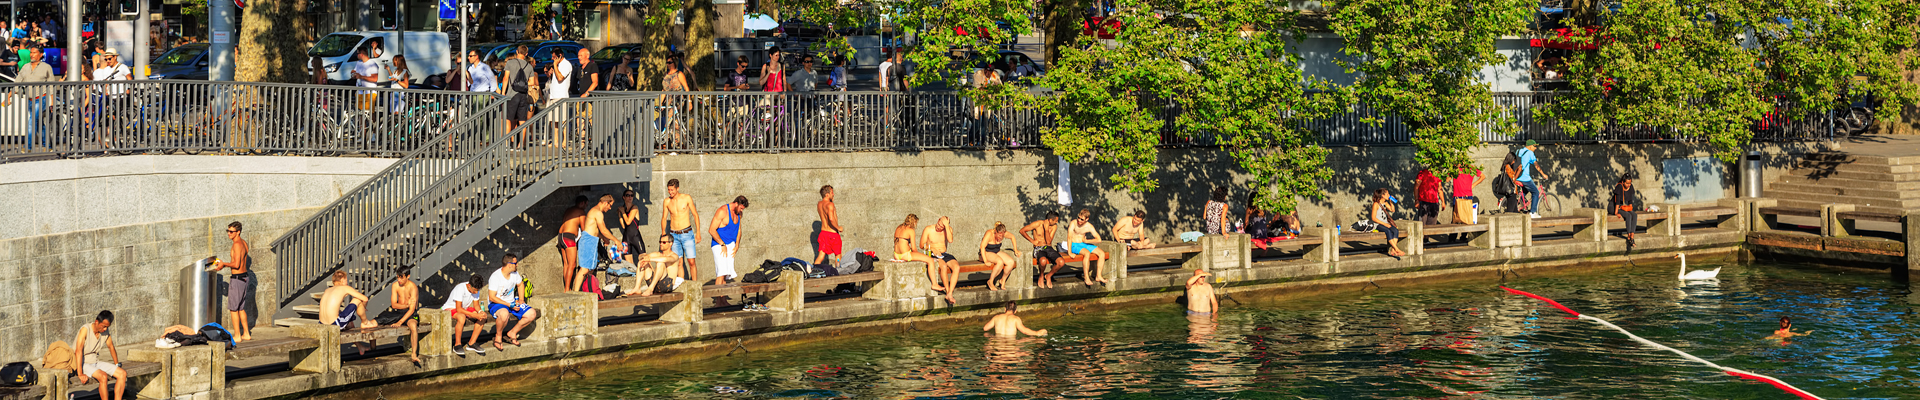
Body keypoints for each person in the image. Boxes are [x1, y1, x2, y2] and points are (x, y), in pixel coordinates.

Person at [202, 221, 253, 342]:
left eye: (231, 231)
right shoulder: (244, 243)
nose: (229, 233)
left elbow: (236, 264)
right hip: (244, 278)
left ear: (238, 232)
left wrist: (224, 264)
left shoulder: (237, 244)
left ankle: (237, 336)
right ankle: (246, 333)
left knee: (233, 309)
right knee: (241, 308)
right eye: (228, 231)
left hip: (237, 279)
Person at [893, 214, 953, 303]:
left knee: (924, 258)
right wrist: (921, 256)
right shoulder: (910, 231)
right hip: (906, 255)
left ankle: (935, 284)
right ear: (914, 222)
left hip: (896, 255)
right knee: (930, 260)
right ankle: (934, 284)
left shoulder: (898, 227)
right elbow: (914, 248)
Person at [317, 271, 377, 356]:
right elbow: (365, 298)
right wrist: (363, 307)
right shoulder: (344, 287)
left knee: (349, 323)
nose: (347, 282)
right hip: (335, 324)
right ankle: (365, 322)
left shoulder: (327, 290)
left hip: (321, 324)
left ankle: (360, 347)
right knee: (357, 300)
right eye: (346, 280)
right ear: (342, 280)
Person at [487, 253, 540, 350]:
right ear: (509, 264)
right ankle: (498, 337)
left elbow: (520, 285)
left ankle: (512, 333)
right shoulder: (495, 277)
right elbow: (491, 297)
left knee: (532, 314)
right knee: (504, 314)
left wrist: (521, 299)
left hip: (512, 302)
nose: (517, 265)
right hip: (497, 303)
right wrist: (509, 304)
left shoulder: (515, 274)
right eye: (516, 263)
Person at [575, 195, 625, 293]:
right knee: (584, 269)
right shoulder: (597, 212)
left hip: (592, 240)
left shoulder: (596, 212)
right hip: (588, 241)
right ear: (606, 202)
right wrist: (616, 240)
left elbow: (595, 230)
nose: (610, 208)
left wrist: (604, 238)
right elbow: (603, 229)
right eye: (610, 205)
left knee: (590, 270)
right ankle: (575, 293)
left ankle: (586, 290)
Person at [373, 266, 423, 364]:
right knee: (375, 321)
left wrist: (400, 322)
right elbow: (393, 304)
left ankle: (414, 354)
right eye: (397, 277)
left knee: (413, 326)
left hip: (410, 313)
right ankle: (372, 349)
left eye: (401, 277)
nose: (399, 280)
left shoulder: (413, 288)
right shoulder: (395, 285)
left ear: (408, 276)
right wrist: (405, 305)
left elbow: (412, 309)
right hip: (398, 312)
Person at [72, 311, 125, 400]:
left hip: (95, 361)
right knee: (103, 376)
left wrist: (116, 364)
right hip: (82, 362)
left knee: (122, 374)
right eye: (103, 326)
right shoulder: (85, 329)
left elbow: (111, 347)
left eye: (107, 327)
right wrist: (80, 373)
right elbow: (78, 351)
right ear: (97, 322)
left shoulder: (105, 331)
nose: (105, 329)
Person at [661, 179, 700, 284]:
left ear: (677, 188)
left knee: (691, 261)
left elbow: (695, 215)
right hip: (674, 235)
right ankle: (681, 285)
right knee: (678, 262)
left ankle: (695, 285)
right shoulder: (667, 201)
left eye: (672, 190)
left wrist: (698, 233)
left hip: (687, 233)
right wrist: (663, 233)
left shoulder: (686, 198)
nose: (670, 192)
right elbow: (664, 218)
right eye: (669, 190)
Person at [441, 274, 490, 357]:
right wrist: (473, 315)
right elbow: (459, 309)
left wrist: (481, 312)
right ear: (469, 285)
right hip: (450, 308)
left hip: (464, 308)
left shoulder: (476, 289)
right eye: (474, 290)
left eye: (477, 290)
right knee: (461, 317)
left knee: (483, 317)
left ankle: (472, 343)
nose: (476, 292)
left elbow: (476, 305)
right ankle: (457, 345)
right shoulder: (460, 288)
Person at [18, 46, 54, 150]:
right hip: (30, 99)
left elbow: (51, 85)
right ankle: (47, 145)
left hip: (41, 98)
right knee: (39, 123)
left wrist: (51, 102)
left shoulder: (46, 67)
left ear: (41, 54)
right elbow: (18, 81)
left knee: (32, 121)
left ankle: (28, 146)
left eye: (34, 52)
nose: (32, 54)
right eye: (31, 52)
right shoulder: (25, 67)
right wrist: (9, 96)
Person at [708, 196, 749, 285]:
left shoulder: (739, 214)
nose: (742, 210)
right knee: (721, 273)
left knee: (725, 274)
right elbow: (711, 230)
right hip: (719, 245)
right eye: (741, 208)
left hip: (731, 245)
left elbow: (738, 229)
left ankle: (723, 298)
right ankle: (718, 297)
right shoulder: (722, 211)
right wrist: (722, 244)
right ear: (736, 204)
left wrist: (737, 244)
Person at [1065, 209, 1110, 286]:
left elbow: (1099, 239)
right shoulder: (1073, 223)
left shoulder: (1089, 226)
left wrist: (1087, 241)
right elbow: (1069, 238)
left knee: (1102, 253)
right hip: (1074, 244)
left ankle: (1098, 275)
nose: (1079, 220)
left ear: (1087, 219)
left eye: (1082, 219)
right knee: (1087, 253)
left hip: (1083, 244)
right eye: (1078, 217)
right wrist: (1069, 252)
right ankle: (1086, 277)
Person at [1020, 212, 1064, 289]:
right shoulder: (1038, 224)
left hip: (1048, 247)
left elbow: (1049, 242)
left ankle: (1048, 276)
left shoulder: (1054, 227)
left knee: (1061, 262)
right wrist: (1032, 241)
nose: (1057, 222)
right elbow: (1022, 231)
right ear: (1050, 220)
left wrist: (1046, 229)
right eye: (1056, 220)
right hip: (1038, 248)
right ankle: (1041, 276)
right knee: (1043, 261)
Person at [921, 216, 962, 296]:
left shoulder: (948, 229)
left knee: (957, 267)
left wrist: (946, 226)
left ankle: (950, 292)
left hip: (944, 254)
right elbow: (921, 245)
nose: (938, 227)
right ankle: (947, 291)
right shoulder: (928, 229)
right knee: (943, 266)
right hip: (932, 254)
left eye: (941, 226)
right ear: (938, 220)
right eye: (938, 224)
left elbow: (950, 240)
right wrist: (932, 248)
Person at [500, 45, 536, 135]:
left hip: (511, 94)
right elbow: (532, 82)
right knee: (522, 121)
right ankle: (521, 144)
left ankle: (507, 143)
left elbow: (505, 78)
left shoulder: (510, 63)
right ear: (526, 54)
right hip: (523, 95)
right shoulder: (529, 66)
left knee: (508, 119)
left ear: (517, 51)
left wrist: (503, 92)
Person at [557, 195, 589, 290]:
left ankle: (567, 288)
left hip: (560, 236)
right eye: (586, 205)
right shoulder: (581, 212)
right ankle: (567, 289)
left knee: (566, 264)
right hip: (569, 237)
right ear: (582, 203)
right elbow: (583, 229)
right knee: (572, 264)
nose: (586, 207)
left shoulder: (569, 210)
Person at [1607, 173, 1646, 247]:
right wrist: (1616, 213)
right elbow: (1617, 201)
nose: (1629, 185)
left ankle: (1632, 236)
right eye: (1627, 183)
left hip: (1621, 207)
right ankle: (1629, 237)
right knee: (1628, 215)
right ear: (1623, 182)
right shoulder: (1619, 186)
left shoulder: (1630, 187)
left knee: (1634, 215)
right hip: (1613, 207)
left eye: (1630, 183)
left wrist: (1630, 209)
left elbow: (1630, 201)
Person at [979, 222, 1019, 291]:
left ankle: (1003, 280)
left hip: (996, 252)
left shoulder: (1003, 233)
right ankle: (990, 281)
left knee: (1011, 262)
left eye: (1002, 236)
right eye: (999, 235)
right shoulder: (989, 233)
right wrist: (985, 261)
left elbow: (1012, 237)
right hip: (985, 253)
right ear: (995, 232)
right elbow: (982, 247)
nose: (1001, 237)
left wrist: (1015, 250)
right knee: (1000, 262)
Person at [544, 48, 573, 146]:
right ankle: (555, 140)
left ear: (560, 55)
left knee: (562, 119)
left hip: (561, 95)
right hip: (553, 95)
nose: (552, 59)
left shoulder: (566, 64)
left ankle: (565, 140)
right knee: (554, 120)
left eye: (554, 57)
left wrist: (555, 66)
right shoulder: (558, 65)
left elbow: (561, 78)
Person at [1516, 140, 1548, 218]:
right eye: (1535, 146)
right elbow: (1536, 165)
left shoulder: (1518, 151)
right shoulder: (1530, 153)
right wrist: (1543, 174)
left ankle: (1517, 203)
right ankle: (1533, 213)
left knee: (1525, 190)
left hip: (1517, 176)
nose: (1536, 148)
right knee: (1536, 193)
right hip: (1525, 177)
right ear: (1530, 146)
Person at [1370, 188, 1405, 258]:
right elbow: (1373, 218)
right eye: (1387, 194)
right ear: (1383, 195)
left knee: (1395, 230)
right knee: (1388, 231)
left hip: (1386, 223)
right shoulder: (1376, 204)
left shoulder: (1385, 203)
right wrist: (1385, 224)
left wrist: (1391, 202)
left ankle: (1393, 249)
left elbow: (1392, 210)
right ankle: (1396, 249)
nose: (1389, 195)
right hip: (1378, 224)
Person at [814, 185, 843, 266]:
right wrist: (838, 228)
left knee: (821, 256)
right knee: (838, 255)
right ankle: (838, 270)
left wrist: (832, 200)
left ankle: (814, 270)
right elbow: (831, 218)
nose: (833, 194)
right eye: (832, 193)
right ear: (827, 194)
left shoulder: (819, 204)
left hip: (823, 234)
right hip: (833, 235)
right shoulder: (830, 204)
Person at [982, 302, 1047, 337]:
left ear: (1005, 309)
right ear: (1015, 311)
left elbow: (985, 328)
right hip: (1011, 346)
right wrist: (1036, 333)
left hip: (999, 346)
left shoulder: (996, 317)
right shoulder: (1016, 319)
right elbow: (1024, 331)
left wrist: (992, 336)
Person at [617, 190, 647, 264]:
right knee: (629, 263)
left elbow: (628, 221)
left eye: (631, 195)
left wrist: (623, 212)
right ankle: (634, 275)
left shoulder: (634, 208)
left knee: (644, 259)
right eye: (628, 195)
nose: (630, 197)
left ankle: (650, 274)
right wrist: (619, 214)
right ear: (624, 197)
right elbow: (624, 226)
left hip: (635, 236)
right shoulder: (624, 209)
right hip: (626, 237)